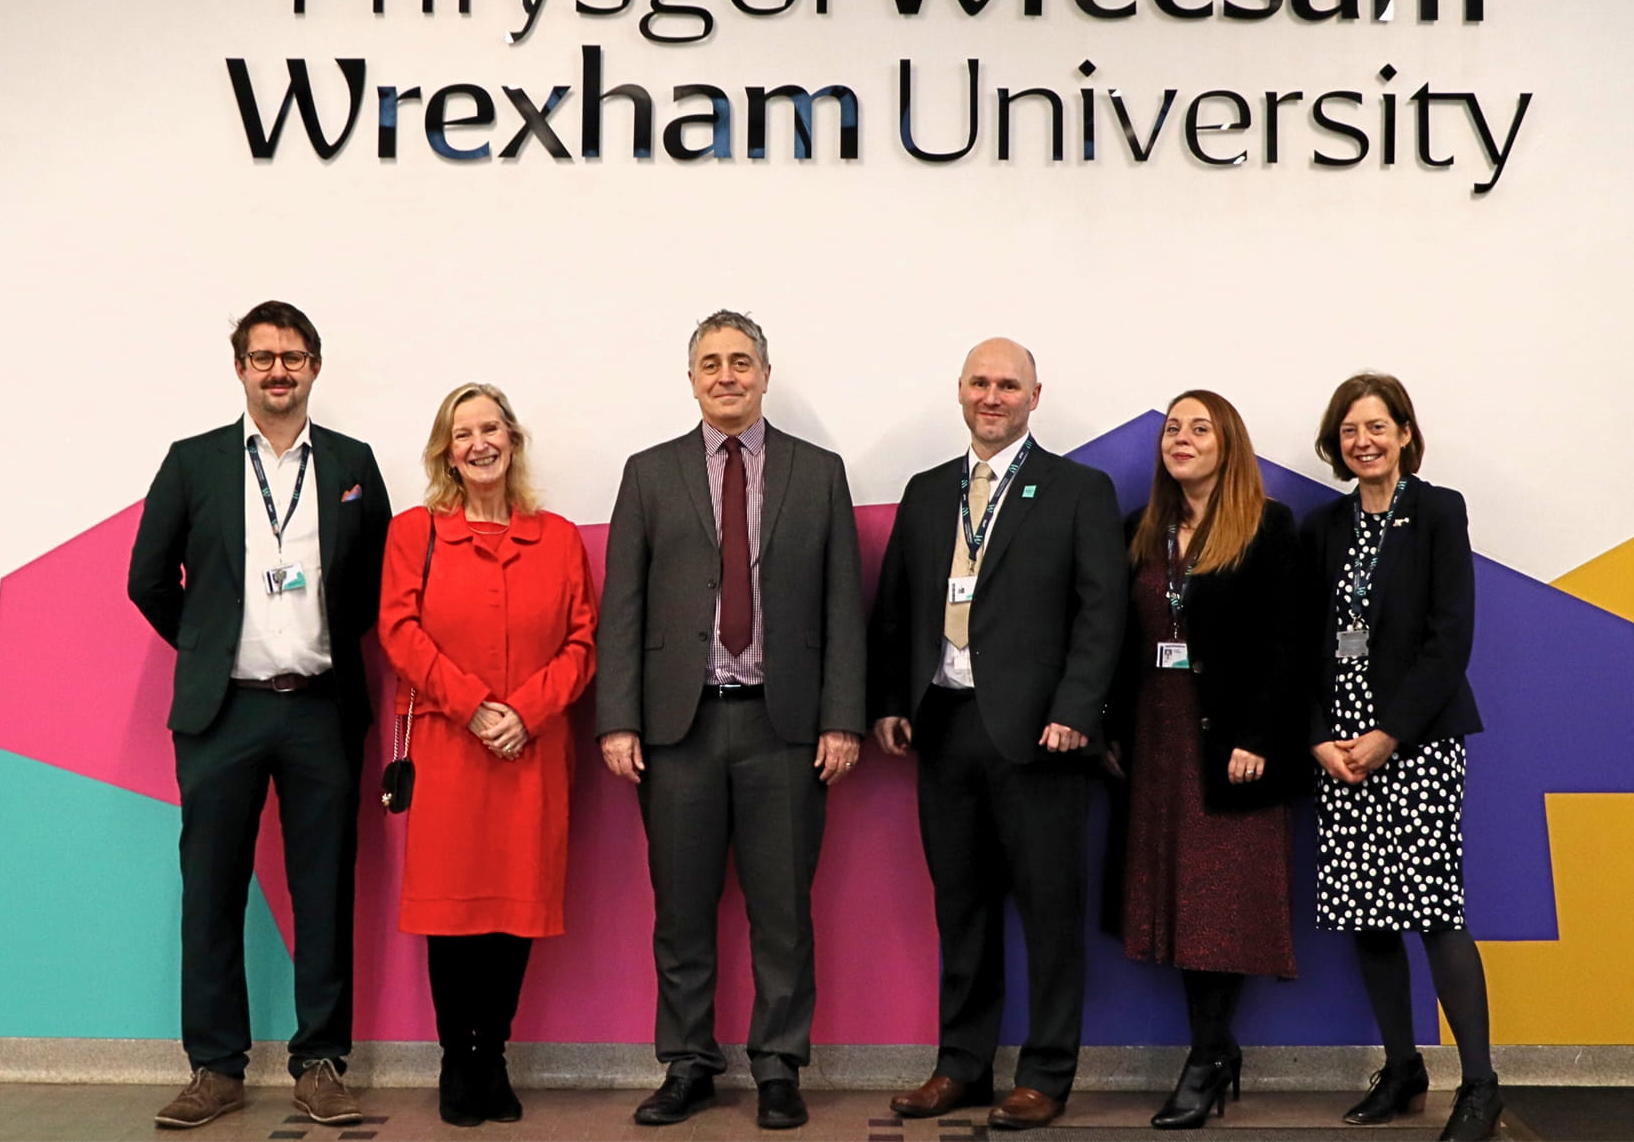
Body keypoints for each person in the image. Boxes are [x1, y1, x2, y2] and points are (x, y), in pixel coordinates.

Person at [595, 310, 866, 1132]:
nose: (725, 375)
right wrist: (618, 720)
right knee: (679, 909)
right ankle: (689, 1064)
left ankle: (778, 1065)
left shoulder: (817, 472)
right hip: (678, 730)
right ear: (690, 378)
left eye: (740, 362)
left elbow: (843, 604)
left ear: (764, 375)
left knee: (782, 910)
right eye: (710, 363)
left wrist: (843, 718)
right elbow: (623, 608)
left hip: (783, 729)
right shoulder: (649, 473)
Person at [128, 301, 391, 1130]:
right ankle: (215, 1067)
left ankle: (321, 1064)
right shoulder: (193, 461)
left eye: (294, 356)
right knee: (210, 894)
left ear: (315, 366)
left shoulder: (352, 462)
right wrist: (208, 644)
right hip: (223, 714)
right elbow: (147, 579)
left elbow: (375, 582)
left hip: (318, 708)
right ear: (239, 367)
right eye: (263, 357)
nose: (279, 370)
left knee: (324, 891)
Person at [868, 338, 1126, 1132]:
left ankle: (1045, 1075)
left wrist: (1076, 712)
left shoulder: (1078, 489)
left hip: (1041, 737)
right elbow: (897, 607)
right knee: (962, 910)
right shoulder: (925, 491)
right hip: (943, 728)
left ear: (1034, 396)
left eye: (1007, 384)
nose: (992, 396)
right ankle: (963, 1067)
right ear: (959, 391)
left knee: (1050, 916)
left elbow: (1101, 613)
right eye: (979, 382)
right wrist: (888, 700)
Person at [376, 383, 598, 1127]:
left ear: (513, 439)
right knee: (455, 915)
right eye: (463, 432)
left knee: (512, 913)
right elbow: (400, 633)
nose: (479, 443)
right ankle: (455, 1059)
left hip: (529, 752)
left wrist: (525, 714)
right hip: (449, 749)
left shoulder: (559, 537)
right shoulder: (416, 533)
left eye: (491, 428)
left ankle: (492, 1055)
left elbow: (581, 643)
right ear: (447, 450)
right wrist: (474, 707)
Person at [1299, 373, 1503, 1142]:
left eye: (1377, 427)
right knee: (1365, 914)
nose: (1364, 442)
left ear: (1405, 434)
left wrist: (1388, 734)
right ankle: (1401, 1067)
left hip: (1413, 742)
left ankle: (1480, 1086)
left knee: (1433, 913)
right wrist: (1322, 738)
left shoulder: (1438, 512)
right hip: (1338, 750)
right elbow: (1301, 646)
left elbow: (1449, 638)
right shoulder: (1322, 527)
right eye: (1350, 430)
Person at [1108, 390, 1306, 1129]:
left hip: (1229, 746)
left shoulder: (1265, 527)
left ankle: (1208, 1056)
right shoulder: (1141, 531)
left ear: (1228, 444)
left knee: (1218, 902)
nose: (1181, 438)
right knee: (1177, 898)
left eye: (1199, 427)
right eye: (1171, 428)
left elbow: (1286, 646)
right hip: (1157, 739)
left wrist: (1256, 735)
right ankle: (1213, 1052)